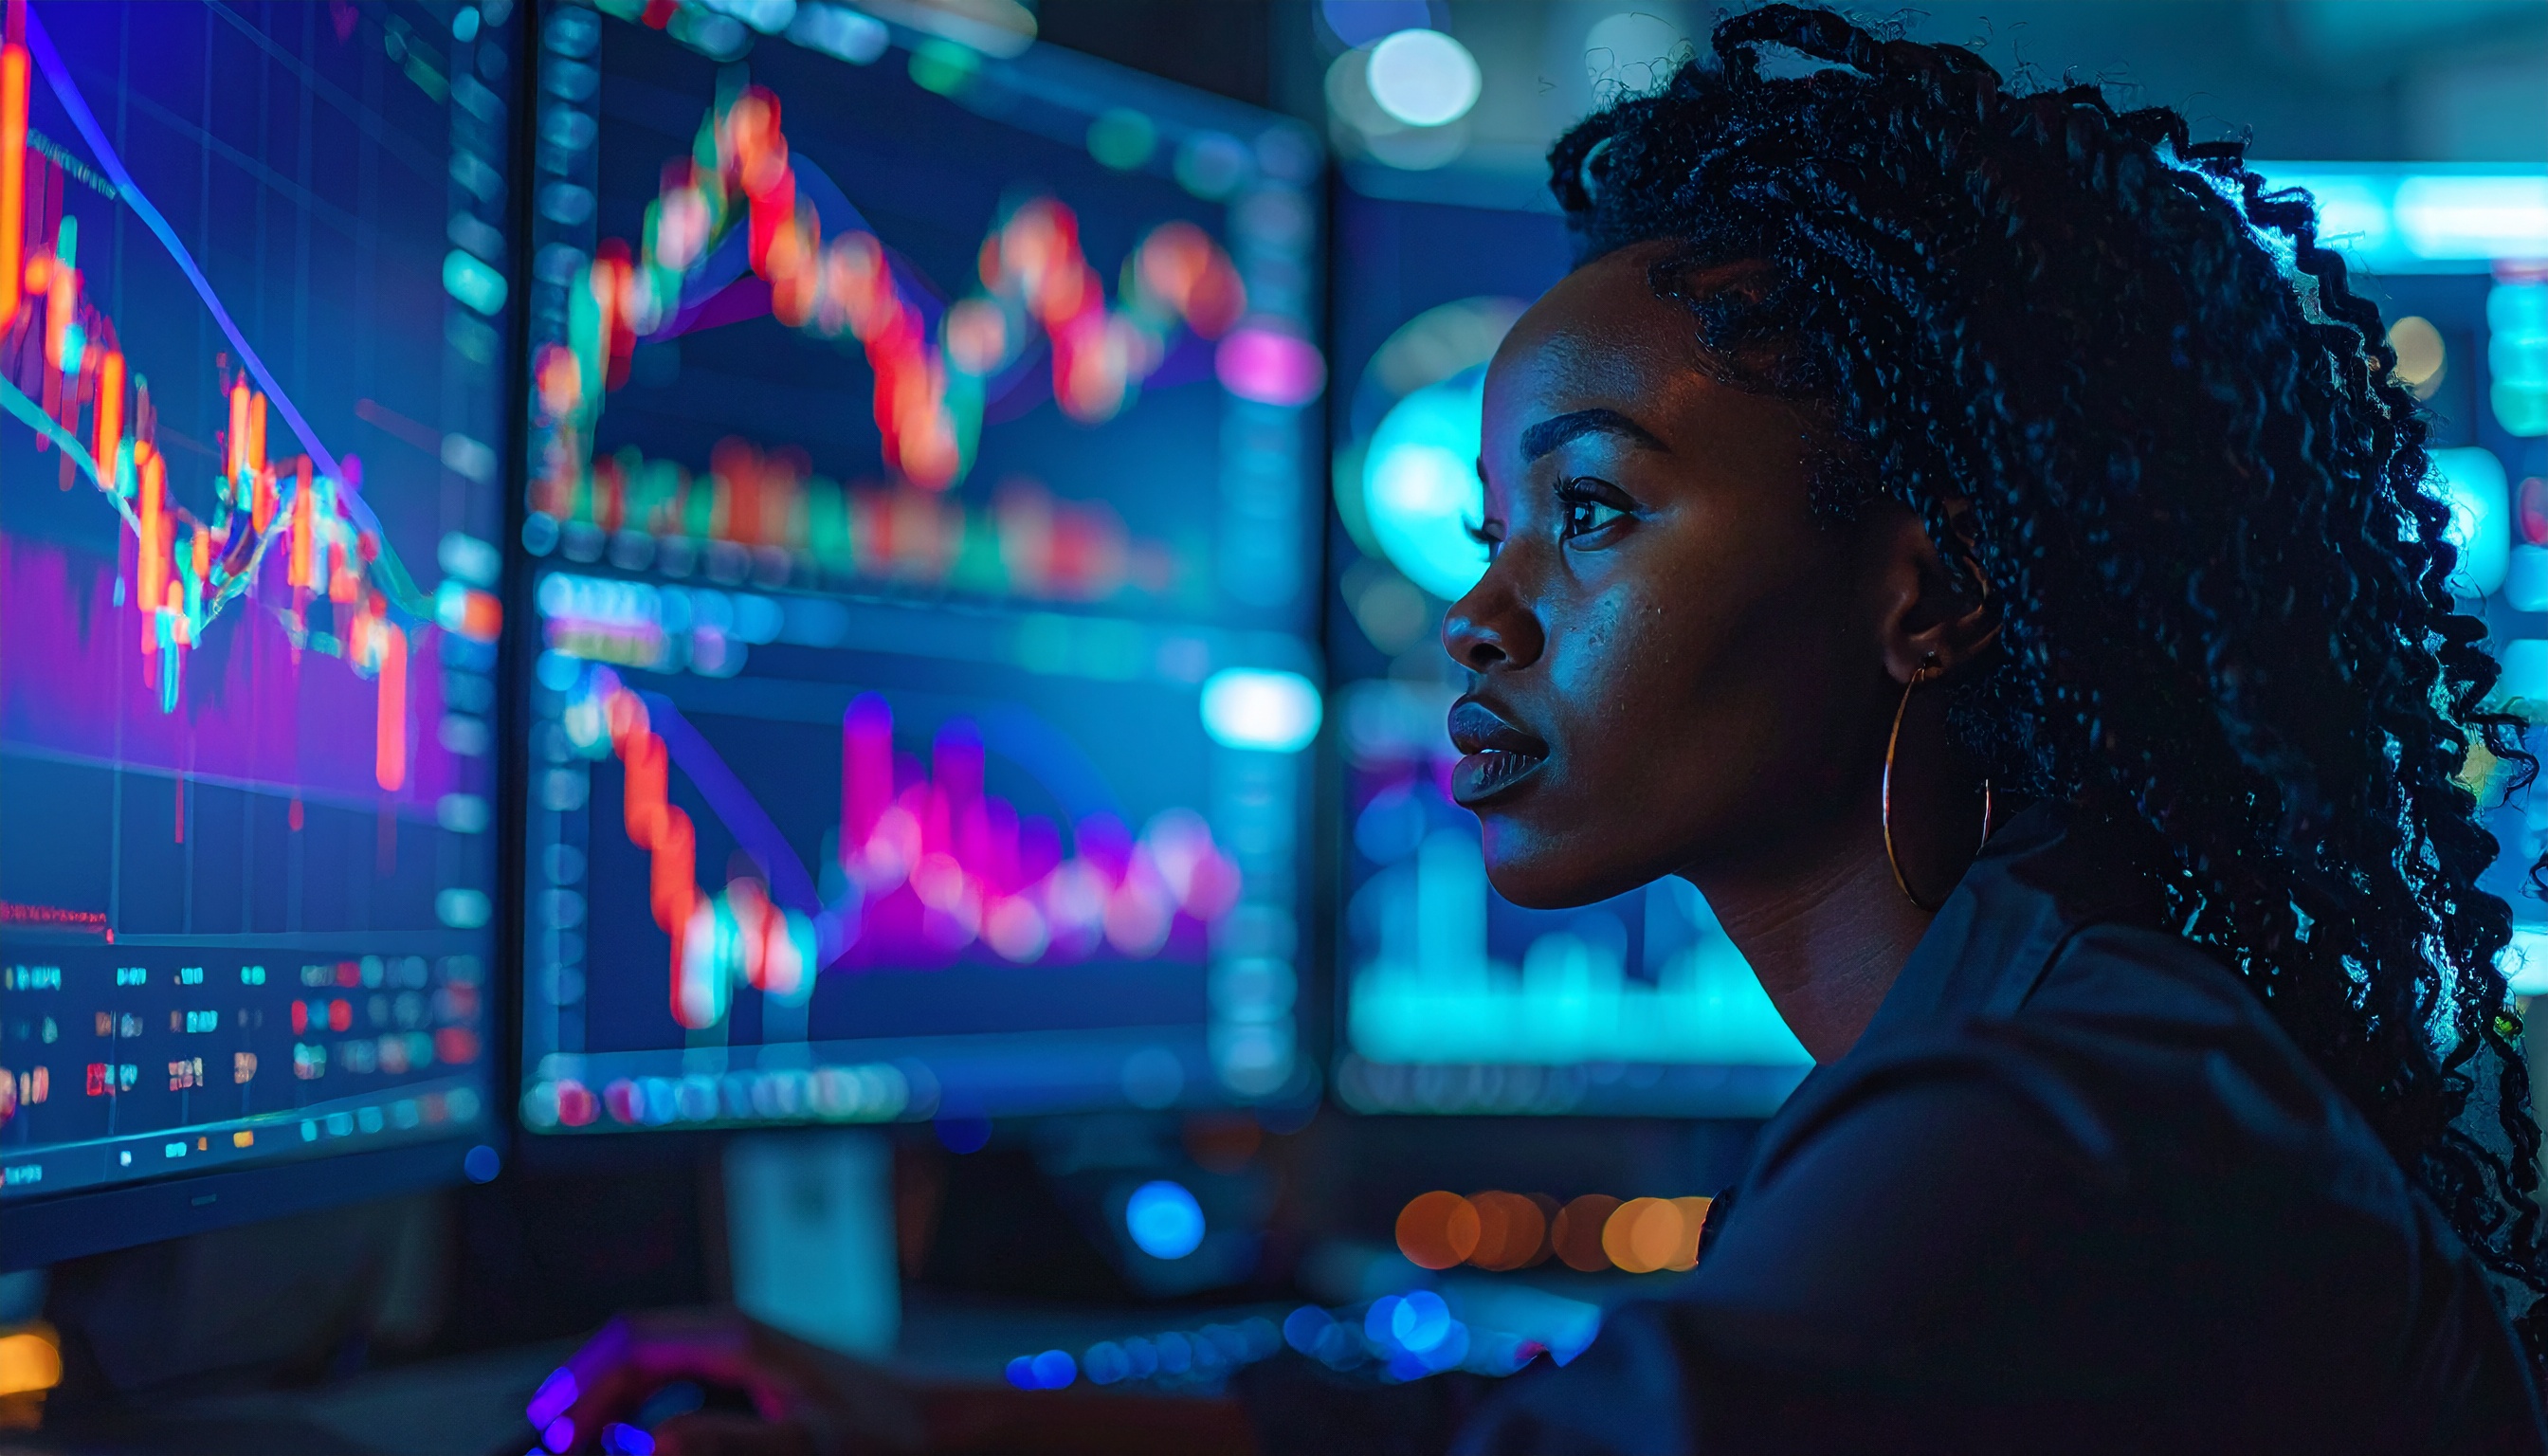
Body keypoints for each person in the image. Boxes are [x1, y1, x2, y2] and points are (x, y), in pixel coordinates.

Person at [550, 6, 2548, 1451]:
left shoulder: (2033, 1136)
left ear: (1932, 593)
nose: (1480, 615)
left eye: (1590, 512)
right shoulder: (2066, 1036)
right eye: (1489, 530)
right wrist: (949, 1424)